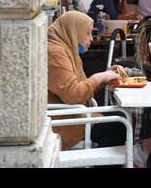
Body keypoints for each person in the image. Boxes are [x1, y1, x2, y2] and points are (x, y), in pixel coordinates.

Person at [47, 11, 125, 150]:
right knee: (121, 124)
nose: (91, 39)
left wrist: (104, 78)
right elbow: (74, 95)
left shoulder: (64, 49)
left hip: (72, 114)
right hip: (64, 123)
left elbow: (79, 89)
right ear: (73, 31)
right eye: (87, 33)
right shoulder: (55, 53)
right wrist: (99, 77)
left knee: (120, 118)